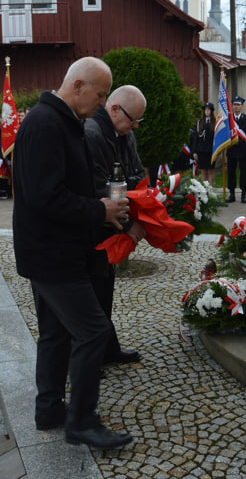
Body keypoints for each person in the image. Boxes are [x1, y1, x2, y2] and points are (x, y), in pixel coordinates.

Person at [13, 56, 133, 450]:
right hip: (52, 253)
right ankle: (82, 421)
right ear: (78, 86)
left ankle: (49, 408)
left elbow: (68, 188)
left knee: (55, 333)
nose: (102, 103)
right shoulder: (46, 124)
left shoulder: (66, 123)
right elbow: (45, 197)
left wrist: (102, 209)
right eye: (99, 94)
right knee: (93, 330)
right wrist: (99, 209)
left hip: (52, 249)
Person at [84, 85, 147, 365]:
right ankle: (92, 358)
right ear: (114, 109)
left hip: (111, 224)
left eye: (137, 121)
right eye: (132, 119)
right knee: (93, 295)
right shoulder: (92, 134)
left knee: (105, 287)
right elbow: (98, 188)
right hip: (95, 226)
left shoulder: (122, 133)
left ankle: (108, 349)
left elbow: (135, 173)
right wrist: (130, 224)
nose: (134, 126)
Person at [226, 96, 246, 204]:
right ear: (232, 106)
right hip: (232, 149)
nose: (236, 107)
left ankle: (243, 194)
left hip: (243, 150)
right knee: (231, 172)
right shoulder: (229, 119)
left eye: (238, 105)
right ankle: (231, 194)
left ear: (242, 106)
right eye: (234, 105)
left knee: (244, 172)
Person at [192, 102, 215, 184]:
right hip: (201, 150)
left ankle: (211, 189)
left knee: (210, 171)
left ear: (211, 111)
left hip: (211, 150)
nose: (207, 111)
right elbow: (196, 137)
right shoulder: (199, 122)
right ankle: (205, 190)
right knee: (203, 171)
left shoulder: (215, 122)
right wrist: (194, 151)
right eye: (205, 109)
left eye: (208, 109)